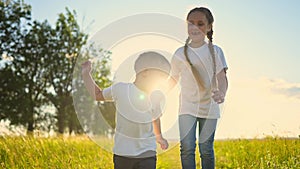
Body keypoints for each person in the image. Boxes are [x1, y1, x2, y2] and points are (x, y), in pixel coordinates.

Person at [81, 51, 170, 169]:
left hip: (147, 151)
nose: (162, 82)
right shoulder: (121, 89)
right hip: (123, 152)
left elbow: (156, 119)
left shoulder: (155, 97)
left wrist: (159, 137)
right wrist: (86, 74)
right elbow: (97, 95)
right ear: (145, 72)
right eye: (161, 77)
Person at [167, 7, 228, 169]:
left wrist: (222, 92)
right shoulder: (180, 53)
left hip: (210, 107)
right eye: (191, 24)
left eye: (200, 24)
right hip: (187, 106)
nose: (195, 27)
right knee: (187, 148)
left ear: (209, 27)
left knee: (206, 148)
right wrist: (160, 94)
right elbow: (173, 79)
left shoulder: (216, 51)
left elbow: (222, 77)